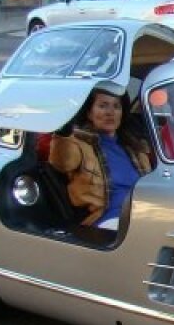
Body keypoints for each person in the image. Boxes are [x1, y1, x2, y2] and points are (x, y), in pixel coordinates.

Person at [48, 82, 153, 231]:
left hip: (143, 215)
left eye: (116, 106)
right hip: (107, 219)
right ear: (89, 113)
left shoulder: (136, 148)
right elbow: (62, 162)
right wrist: (63, 132)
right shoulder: (78, 143)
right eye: (103, 106)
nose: (110, 112)